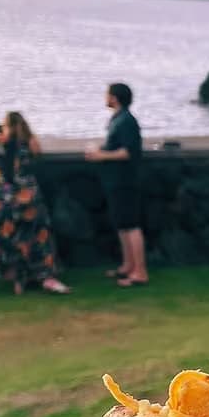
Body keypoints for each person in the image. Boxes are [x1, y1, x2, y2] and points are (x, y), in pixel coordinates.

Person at [0, 112, 69, 295]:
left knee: (7, 238)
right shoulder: (30, 144)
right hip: (27, 198)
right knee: (35, 237)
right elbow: (37, 154)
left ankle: (15, 280)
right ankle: (43, 275)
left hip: (2, 200)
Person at [85, 83, 148, 288]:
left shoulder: (127, 121)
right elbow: (115, 146)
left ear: (115, 98)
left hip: (125, 181)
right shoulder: (118, 120)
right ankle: (127, 266)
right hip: (115, 181)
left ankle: (140, 271)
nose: (105, 97)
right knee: (122, 224)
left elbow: (128, 152)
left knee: (131, 225)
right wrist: (100, 149)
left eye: (107, 94)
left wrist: (101, 155)